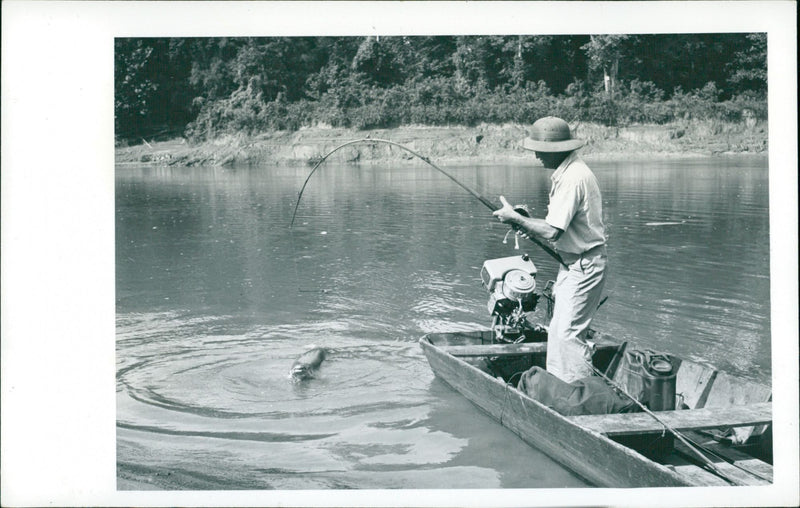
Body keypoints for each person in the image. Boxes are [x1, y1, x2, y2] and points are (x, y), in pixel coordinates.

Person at [493, 116, 607, 383]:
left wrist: (517, 219)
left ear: (553, 150)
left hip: (583, 265)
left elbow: (553, 231)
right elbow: (557, 227)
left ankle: (579, 395)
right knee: (557, 332)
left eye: (539, 150)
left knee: (568, 337)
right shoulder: (569, 172)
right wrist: (525, 221)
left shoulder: (572, 178)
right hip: (574, 263)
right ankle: (563, 391)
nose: (536, 156)